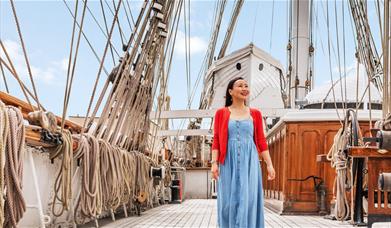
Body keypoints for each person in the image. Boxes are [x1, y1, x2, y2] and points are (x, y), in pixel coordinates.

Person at [211, 77, 275, 228]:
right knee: (227, 201)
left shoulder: (256, 114)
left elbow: (261, 141)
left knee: (249, 199)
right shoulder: (221, 113)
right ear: (230, 91)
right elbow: (216, 140)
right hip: (227, 161)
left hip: (250, 161)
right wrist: (214, 163)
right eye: (240, 86)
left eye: (246, 85)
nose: (244, 88)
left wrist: (270, 165)